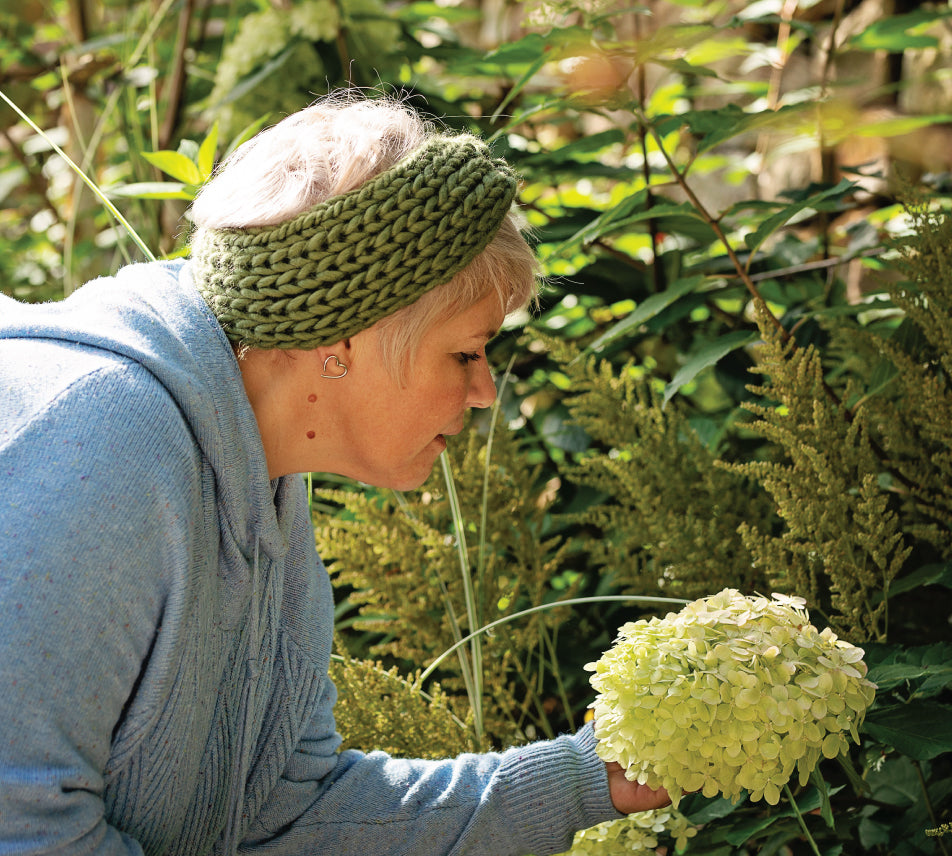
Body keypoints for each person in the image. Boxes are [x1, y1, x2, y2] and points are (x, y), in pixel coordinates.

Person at [0, 94, 670, 855]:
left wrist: (591, 779)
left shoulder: (262, 487)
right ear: (346, 337)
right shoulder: (97, 449)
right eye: (465, 352)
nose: (485, 391)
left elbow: (286, 816)